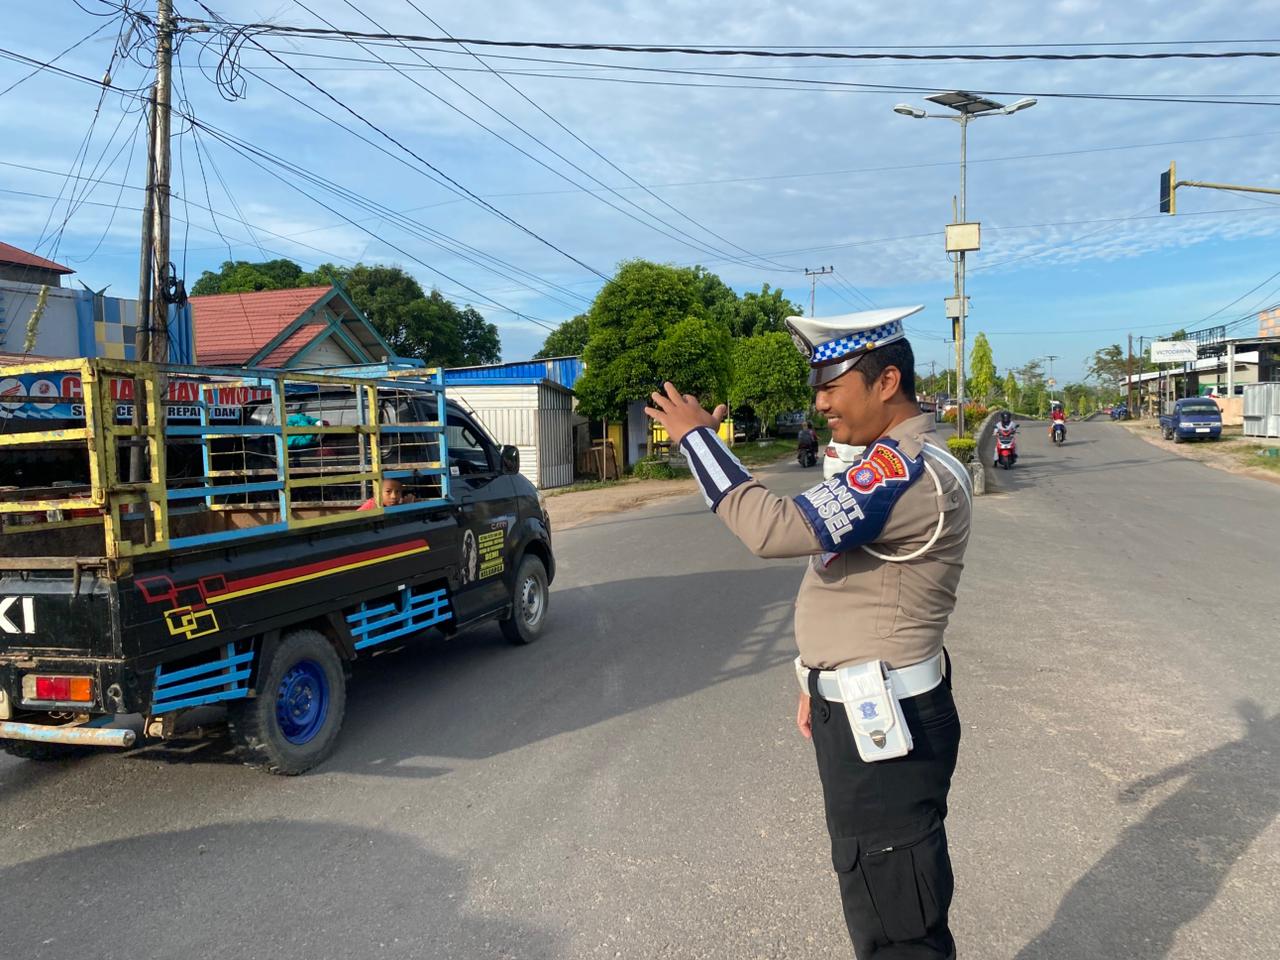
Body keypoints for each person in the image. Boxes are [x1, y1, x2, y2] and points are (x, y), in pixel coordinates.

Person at [646, 305, 972, 959]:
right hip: (864, 705)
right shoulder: (887, 461)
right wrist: (815, 678)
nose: (820, 402)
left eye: (832, 384)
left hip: (887, 726)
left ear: (885, 382)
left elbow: (775, 529)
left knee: (898, 921)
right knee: (879, 892)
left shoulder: (902, 470)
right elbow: (841, 576)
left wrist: (697, 442)